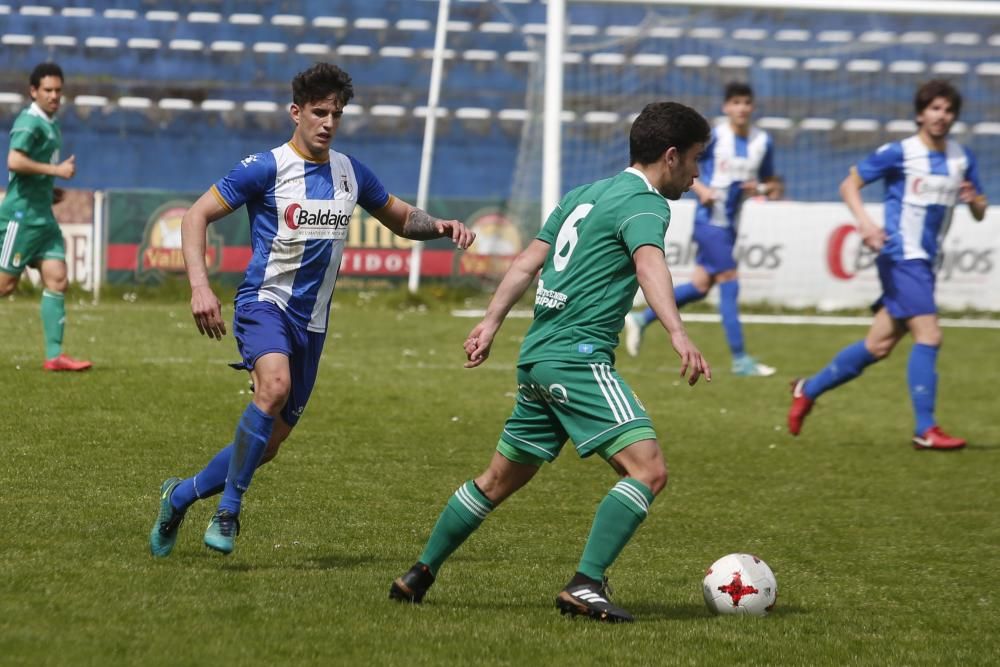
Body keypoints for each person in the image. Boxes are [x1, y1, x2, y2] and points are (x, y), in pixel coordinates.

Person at [389, 102, 712, 623]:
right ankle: (586, 584)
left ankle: (419, 573)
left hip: (537, 358)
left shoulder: (583, 195)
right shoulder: (647, 204)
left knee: (498, 480)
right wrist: (677, 331)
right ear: (670, 156)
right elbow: (649, 261)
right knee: (648, 471)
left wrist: (491, 322)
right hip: (578, 360)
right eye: (697, 160)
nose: (698, 174)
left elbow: (527, 262)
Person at [149, 63, 475, 557]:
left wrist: (443, 226)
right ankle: (229, 511)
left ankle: (179, 496)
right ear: (296, 112)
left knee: (270, 444)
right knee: (273, 386)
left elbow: (402, 218)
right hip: (264, 304)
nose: (327, 122)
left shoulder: (349, 172)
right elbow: (196, 215)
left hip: (313, 323)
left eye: (336, 114)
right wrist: (200, 287)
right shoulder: (266, 167)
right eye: (319, 112)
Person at [788, 80, 987, 450]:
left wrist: (975, 200)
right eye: (935, 109)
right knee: (929, 335)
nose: (941, 116)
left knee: (878, 345)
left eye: (948, 110)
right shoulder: (900, 152)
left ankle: (808, 388)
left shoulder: (962, 158)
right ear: (920, 113)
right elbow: (849, 184)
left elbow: (979, 211)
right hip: (900, 255)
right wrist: (865, 223)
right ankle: (925, 429)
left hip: (926, 261)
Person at [623, 82, 779, 377]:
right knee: (730, 281)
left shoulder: (762, 141)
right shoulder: (717, 136)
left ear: (753, 107)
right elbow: (685, 165)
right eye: (735, 102)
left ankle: (641, 319)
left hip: (731, 223)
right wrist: (703, 189)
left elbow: (772, 183)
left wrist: (758, 187)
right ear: (726, 107)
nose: (741, 108)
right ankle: (740, 359)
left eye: (746, 102)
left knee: (700, 286)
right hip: (710, 221)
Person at [0, 62, 90, 371]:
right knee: (4, 286)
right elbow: (14, 160)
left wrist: (49, 190)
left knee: (57, 278)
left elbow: (29, 170)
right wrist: (57, 171)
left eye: (58, 90)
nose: (54, 96)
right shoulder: (30, 121)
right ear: (33, 91)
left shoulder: (50, 123)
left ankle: (54, 356)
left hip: (43, 217)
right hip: (21, 217)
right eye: (47, 90)